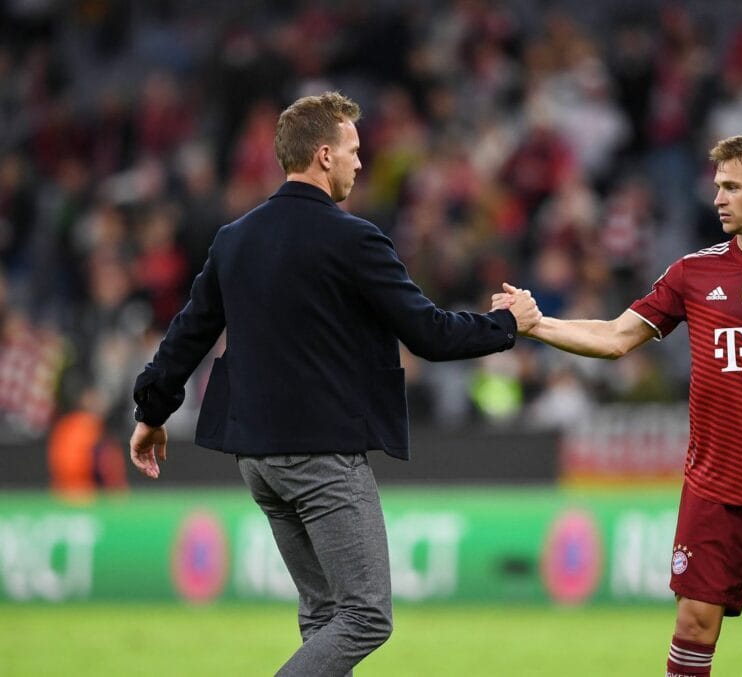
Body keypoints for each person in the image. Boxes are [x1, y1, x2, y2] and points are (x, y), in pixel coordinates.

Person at [128, 91, 540, 676]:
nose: (360, 161)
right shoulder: (354, 239)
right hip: (321, 454)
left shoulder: (234, 239)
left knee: (324, 618)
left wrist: (150, 411)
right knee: (367, 616)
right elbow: (428, 333)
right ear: (323, 155)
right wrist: (508, 325)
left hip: (257, 458)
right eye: (352, 149)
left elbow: (186, 336)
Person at [496, 132, 742, 677]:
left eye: (732, 186)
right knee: (694, 624)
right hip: (714, 485)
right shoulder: (692, 273)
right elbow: (614, 337)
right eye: (717, 186)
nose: (718, 198)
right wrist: (537, 325)